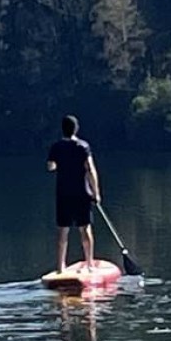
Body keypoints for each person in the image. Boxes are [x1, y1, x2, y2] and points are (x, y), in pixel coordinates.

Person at [46, 115, 101, 273]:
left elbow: (50, 166)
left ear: (62, 129)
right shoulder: (83, 146)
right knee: (85, 229)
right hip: (82, 193)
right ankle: (89, 264)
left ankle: (60, 267)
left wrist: (60, 164)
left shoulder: (56, 147)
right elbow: (90, 169)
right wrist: (96, 193)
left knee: (63, 230)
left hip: (63, 193)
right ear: (76, 128)